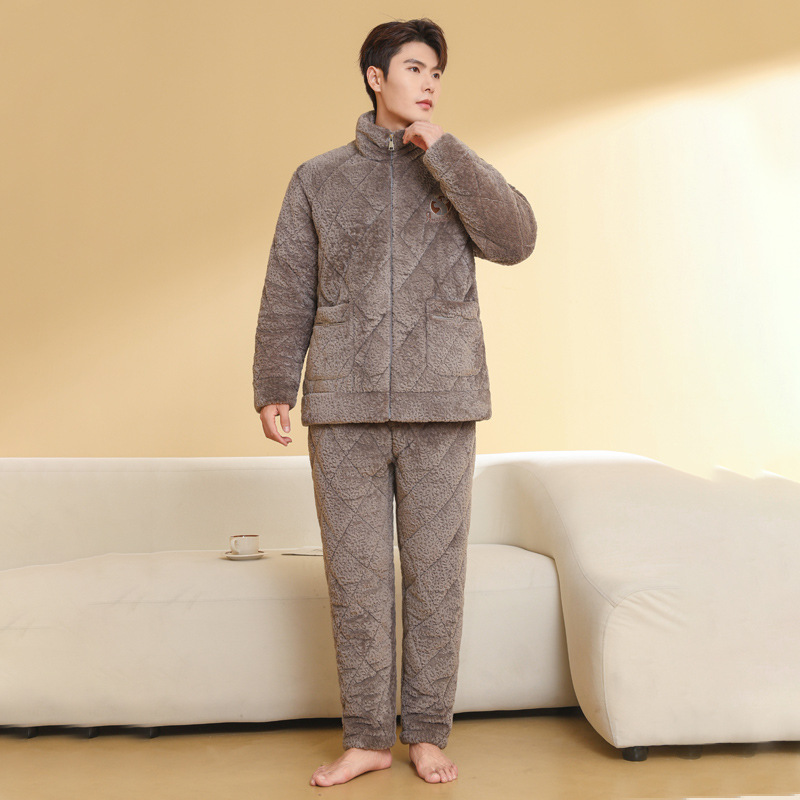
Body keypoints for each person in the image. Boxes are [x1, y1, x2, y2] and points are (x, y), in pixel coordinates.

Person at [253, 17, 537, 787]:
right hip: (342, 405)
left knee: (437, 578)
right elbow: (288, 285)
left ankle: (428, 733)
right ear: (376, 77)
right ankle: (370, 739)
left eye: (437, 71)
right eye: (415, 68)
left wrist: (444, 150)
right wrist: (275, 383)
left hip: (442, 402)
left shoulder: (454, 166)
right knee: (357, 581)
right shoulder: (317, 179)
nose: (429, 82)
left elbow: (515, 239)